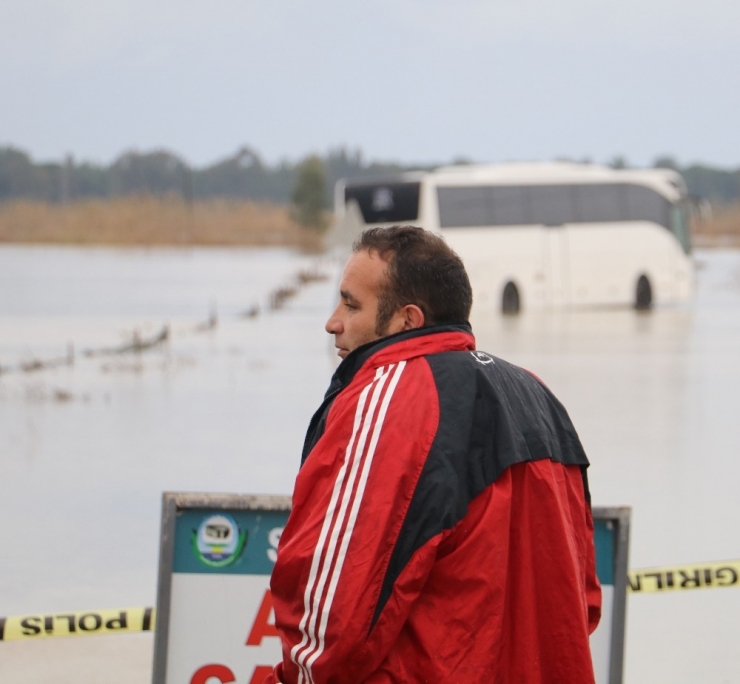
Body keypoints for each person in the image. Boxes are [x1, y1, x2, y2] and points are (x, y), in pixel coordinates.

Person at [263, 225, 601, 684]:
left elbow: (330, 622)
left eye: (351, 304)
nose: (332, 321)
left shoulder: (390, 398)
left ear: (408, 319)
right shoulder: (539, 398)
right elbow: (583, 601)